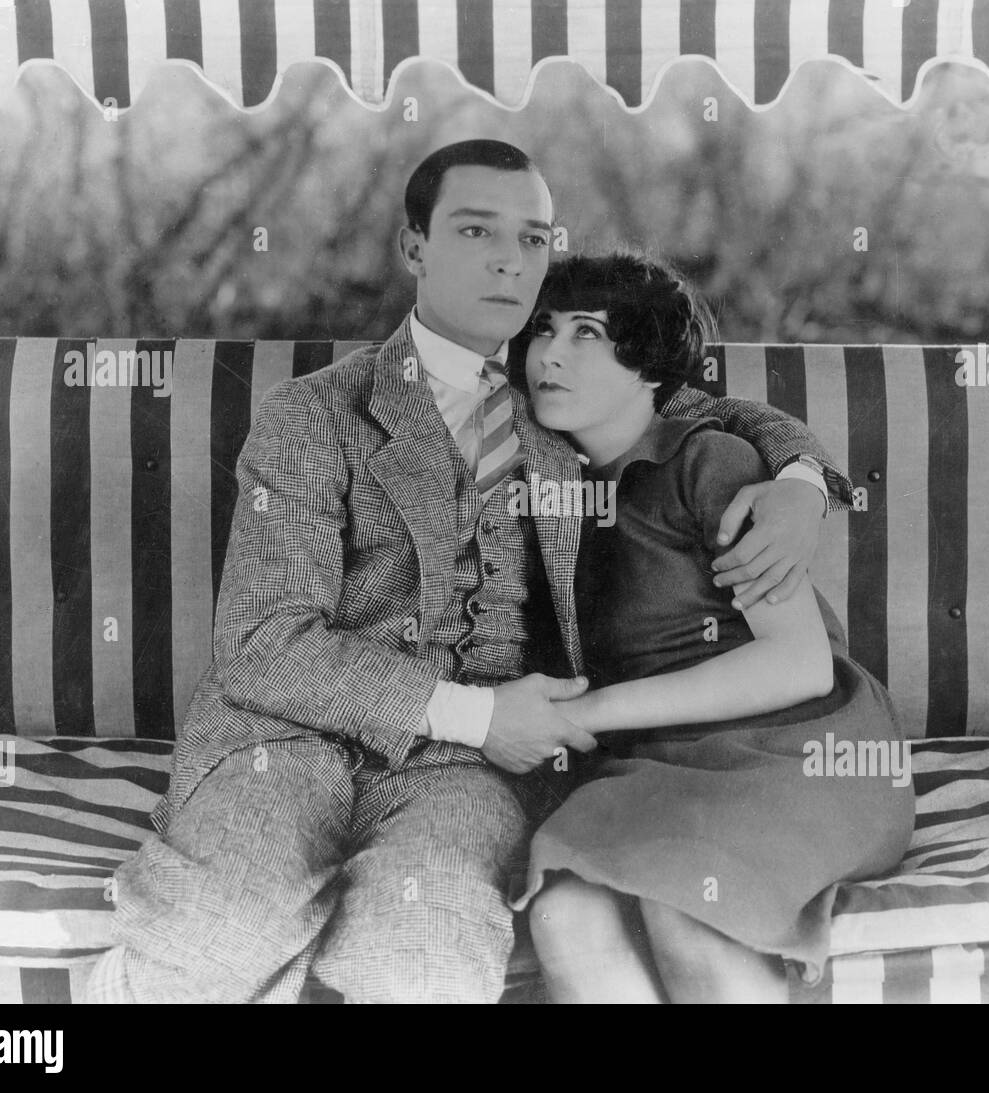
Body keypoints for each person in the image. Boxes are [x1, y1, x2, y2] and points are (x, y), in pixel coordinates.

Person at [86, 140, 853, 1003]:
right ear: (415, 247)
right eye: (475, 229)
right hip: (282, 742)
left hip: (467, 771)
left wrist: (800, 481)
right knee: (217, 935)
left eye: (533, 239)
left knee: (429, 960)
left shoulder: (556, 392)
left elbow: (704, 405)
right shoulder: (312, 414)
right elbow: (263, 645)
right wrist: (478, 712)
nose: (508, 259)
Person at [515, 253, 916, 1003]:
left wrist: (583, 715)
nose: (550, 354)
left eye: (586, 333)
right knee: (564, 915)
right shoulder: (551, 498)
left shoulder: (710, 463)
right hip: (657, 767)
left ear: (648, 366)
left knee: (686, 907)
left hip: (795, 748)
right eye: (542, 330)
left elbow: (801, 665)